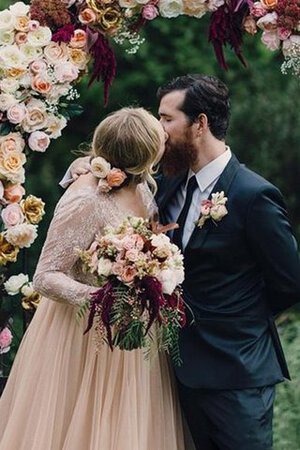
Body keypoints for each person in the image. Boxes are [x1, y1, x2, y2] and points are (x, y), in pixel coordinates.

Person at [66, 74, 300, 450]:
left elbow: (289, 282)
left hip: (236, 373)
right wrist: (80, 170)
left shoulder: (254, 195)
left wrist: (236, 319)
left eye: (167, 118)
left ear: (200, 124)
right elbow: (106, 175)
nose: (158, 130)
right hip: (175, 371)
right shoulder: (167, 183)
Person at [0, 107, 186, 450]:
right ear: (143, 154)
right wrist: (101, 297)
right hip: (82, 336)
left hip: (130, 335)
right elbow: (46, 275)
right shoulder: (86, 198)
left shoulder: (142, 184)